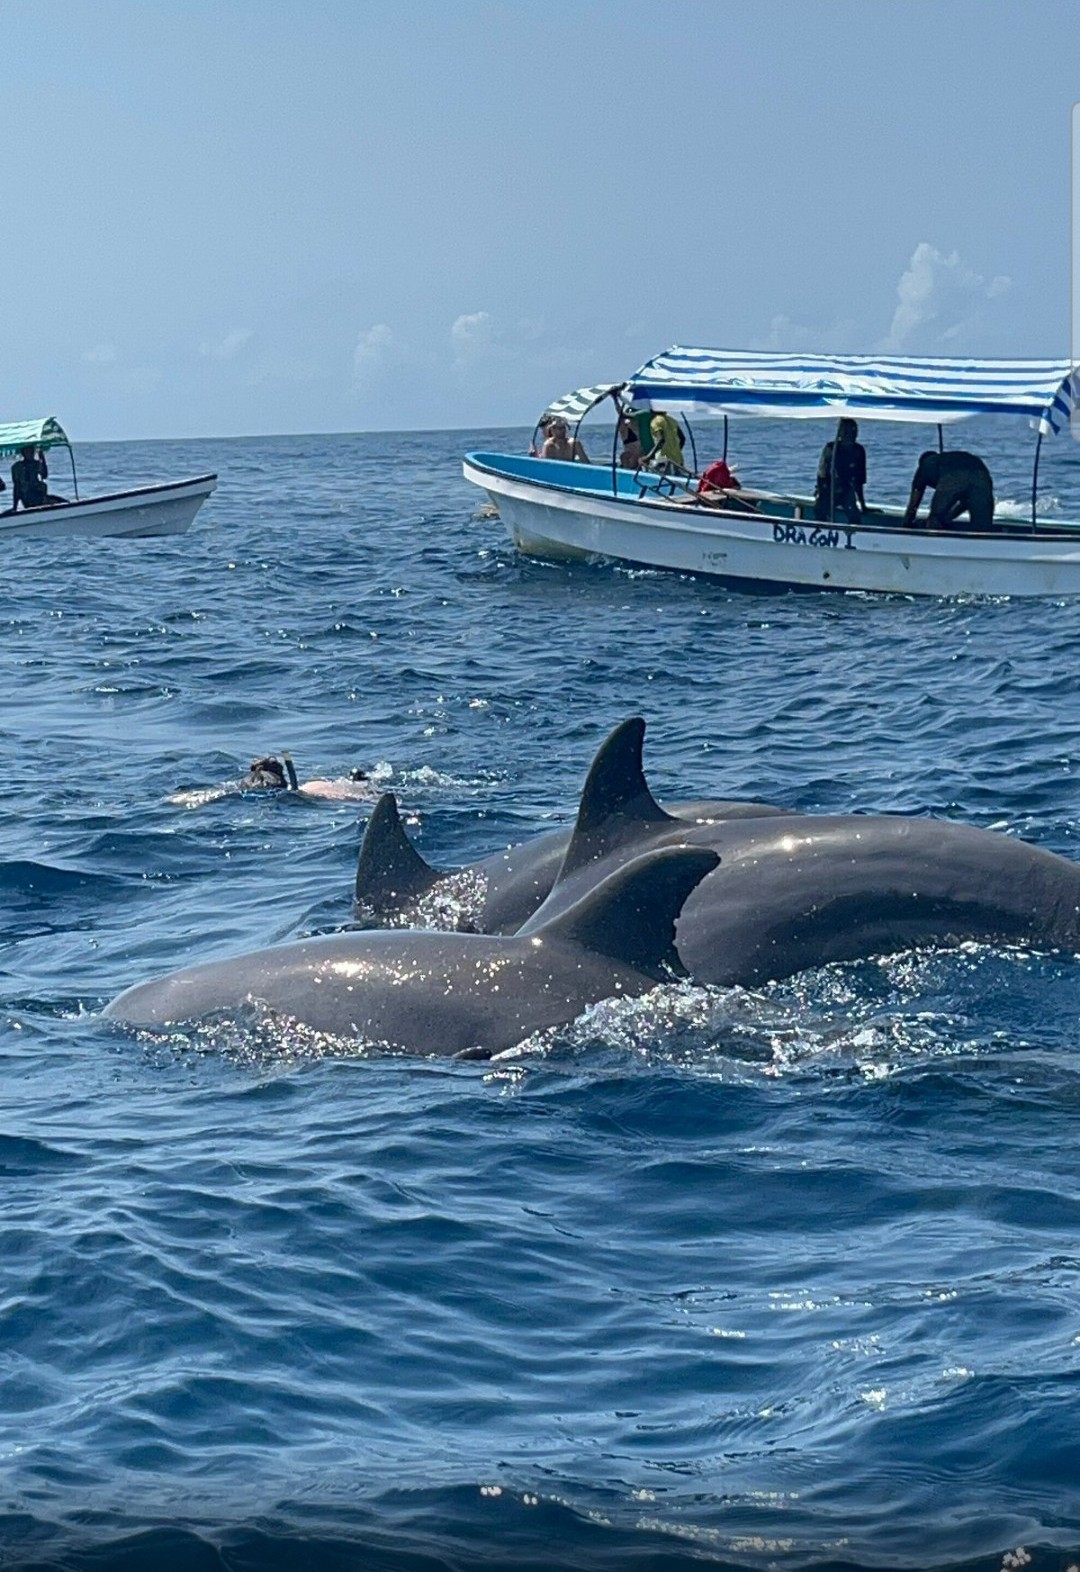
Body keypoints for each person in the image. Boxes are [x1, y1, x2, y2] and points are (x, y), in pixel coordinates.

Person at [902, 450, 994, 532]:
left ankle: (934, 545)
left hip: (953, 476)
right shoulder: (945, 461)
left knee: (934, 520)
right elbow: (965, 503)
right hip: (982, 476)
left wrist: (907, 523)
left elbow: (914, 500)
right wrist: (947, 518)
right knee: (983, 529)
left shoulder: (926, 464)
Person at [813, 419, 867, 525]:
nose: (850, 435)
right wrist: (821, 493)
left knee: (854, 514)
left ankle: (854, 535)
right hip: (827, 489)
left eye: (853, 431)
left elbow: (859, 480)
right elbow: (821, 475)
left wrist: (863, 504)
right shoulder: (831, 448)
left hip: (846, 490)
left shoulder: (858, 450)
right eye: (846, 432)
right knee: (821, 511)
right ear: (840, 434)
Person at [11, 445, 60, 510]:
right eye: (27, 451)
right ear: (23, 453)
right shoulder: (18, 467)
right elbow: (17, 487)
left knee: (61, 501)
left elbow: (44, 475)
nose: (30, 453)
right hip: (29, 498)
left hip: (40, 495)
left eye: (32, 451)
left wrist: (42, 459)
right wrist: (15, 506)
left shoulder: (36, 464)